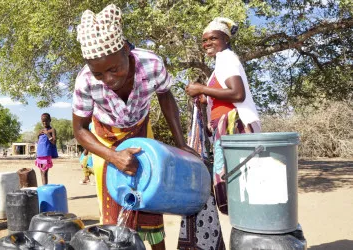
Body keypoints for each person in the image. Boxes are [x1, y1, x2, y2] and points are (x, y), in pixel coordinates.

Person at [72, 4, 197, 250]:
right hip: (105, 140)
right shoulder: (84, 81)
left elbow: (165, 97)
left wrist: (181, 143)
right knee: (113, 208)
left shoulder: (151, 64)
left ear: (127, 50)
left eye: (114, 68)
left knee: (151, 198)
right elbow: (80, 130)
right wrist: (112, 156)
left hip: (141, 134)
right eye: (99, 74)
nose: (108, 79)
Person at [178, 17, 261, 250]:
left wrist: (201, 88)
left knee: (240, 187)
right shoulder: (221, 62)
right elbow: (225, 94)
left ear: (225, 39)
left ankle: (250, 237)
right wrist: (207, 98)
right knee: (237, 188)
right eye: (204, 40)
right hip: (227, 131)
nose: (207, 43)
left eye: (213, 38)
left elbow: (237, 93)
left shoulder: (227, 59)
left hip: (236, 130)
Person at [36, 113, 59, 185]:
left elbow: (54, 142)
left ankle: (45, 188)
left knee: (45, 172)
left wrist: (47, 134)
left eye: (46, 121)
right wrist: (39, 134)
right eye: (43, 121)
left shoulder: (52, 130)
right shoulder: (41, 131)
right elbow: (39, 141)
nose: (44, 123)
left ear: (50, 120)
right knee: (41, 172)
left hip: (46, 154)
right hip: (40, 154)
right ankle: (44, 187)